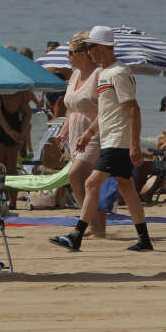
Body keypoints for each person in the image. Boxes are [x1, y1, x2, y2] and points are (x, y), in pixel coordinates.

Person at [50, 26, 153, 252]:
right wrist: (89, 133)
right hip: (109, 138)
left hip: (118, 139)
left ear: (103, 47)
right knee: (126, 187)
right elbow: (106, 112)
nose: (89, 52)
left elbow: (133, 109)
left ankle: (76, 235)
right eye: (86, 48)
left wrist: (135, 145)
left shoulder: (118, 72)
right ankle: (144, 239)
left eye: (91, 47)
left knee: (90, 182)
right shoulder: (106, 73)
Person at [51, 32, 106, 237]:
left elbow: (105, 108)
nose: (68, 57)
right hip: (75, 132)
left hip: (94, 132)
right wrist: (63, 131)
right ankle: (98, 223)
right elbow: (71, 108)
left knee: (75, 175)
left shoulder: (99, 74)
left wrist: (90, 131)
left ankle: (90, 223)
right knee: (85, 180)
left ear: (84, 53)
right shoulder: (74, 75)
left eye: (71, 52)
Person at [0, 92, 30, 208]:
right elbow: (28, 113)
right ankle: (13, 202)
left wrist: (8, 131)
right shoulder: (20, 89)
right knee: (11, 168)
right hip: (15, 127)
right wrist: (22, 133)